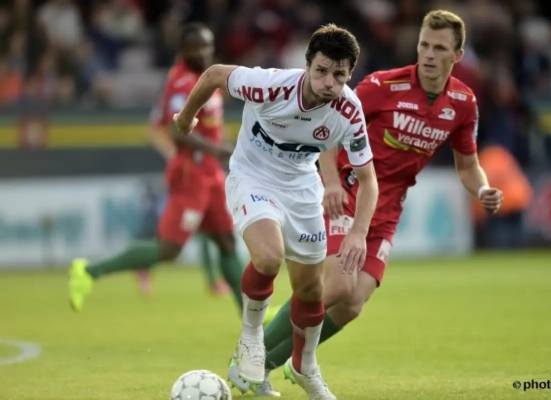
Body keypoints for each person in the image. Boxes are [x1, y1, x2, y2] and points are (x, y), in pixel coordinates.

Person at [228, 9, 504, 397]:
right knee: (336, 287)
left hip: (388, 207)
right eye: (424, 44)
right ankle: (251, 361)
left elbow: (468, 166)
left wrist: (483, 189)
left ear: (457, 55)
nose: (428, 54)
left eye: (439, 48)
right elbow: (325, 122)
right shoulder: (382, 85)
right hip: (349, 192)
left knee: (353, 303)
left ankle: (286, 363)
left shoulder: (463, 102)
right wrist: (330, 182)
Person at [173, 24, 379, 400]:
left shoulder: (349, 110)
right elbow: (214, 74)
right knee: (268, 257)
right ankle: (251, 338)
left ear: (349, 74)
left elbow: (368, 179)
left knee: (311, 291)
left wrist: (358, 233)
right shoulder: (272, 85)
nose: (329, 82)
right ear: (307, 65)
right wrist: (187, 117)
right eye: (321, 71)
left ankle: (306, 366)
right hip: (253, 177)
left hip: (302, 189)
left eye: (339, 75)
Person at [68, 23, 249, 316]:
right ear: (183, 50)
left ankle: (253, 317)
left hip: (210, 173)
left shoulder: (205, 77)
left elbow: (208, 124)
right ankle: (89, 271)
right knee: (168, 249)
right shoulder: (181, 82)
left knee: (227, 243)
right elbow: (176, 130)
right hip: (191, 173)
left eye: (207, 46)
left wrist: (218, 147)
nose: (203, 52)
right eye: (196, 48)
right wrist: (218, 149)